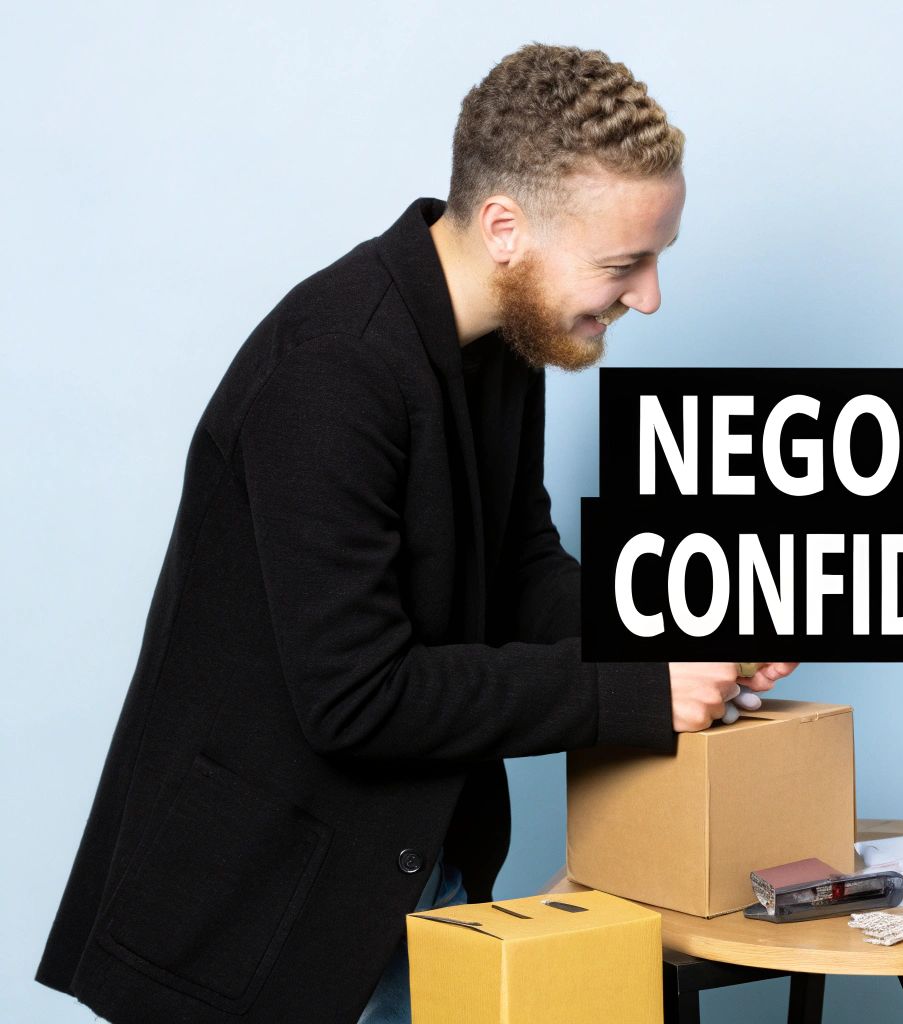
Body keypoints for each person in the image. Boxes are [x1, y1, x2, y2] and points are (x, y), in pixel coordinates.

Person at [36, 43, 796, 1024]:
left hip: (400, 873)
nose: (647, 295)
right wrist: (638, 692)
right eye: (624, 262)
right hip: (259, 922)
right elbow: (357, 696)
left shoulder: (504, 340)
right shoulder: (331, 370)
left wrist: (675, 622)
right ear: (504, 226)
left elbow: (519, 570)